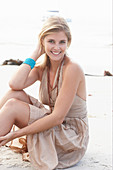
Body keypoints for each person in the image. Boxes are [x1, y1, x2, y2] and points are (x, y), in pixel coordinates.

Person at [0, 16, 89, 170]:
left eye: (62, 42)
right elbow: (15, 84)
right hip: (55, 122)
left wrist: (15, 134)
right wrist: (35, 54)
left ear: (68, 43)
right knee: (12, 95)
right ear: (42, 42)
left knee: (13, 106)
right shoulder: (42, 68)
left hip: (71, 134)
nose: (57, 48)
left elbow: (57, 118)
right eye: (51, 41)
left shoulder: (72, 68)